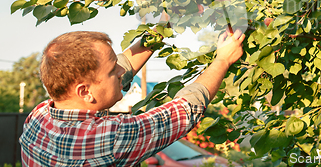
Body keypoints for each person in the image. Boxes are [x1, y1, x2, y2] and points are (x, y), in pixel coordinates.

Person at [20, 29, 245, 166]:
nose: (121, 71)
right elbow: (184, 110)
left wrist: (162, 29)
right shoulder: (110, 137)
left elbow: (123, 65)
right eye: (112, 71)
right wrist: (223, 60)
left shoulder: (39, 117)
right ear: (84, 91)